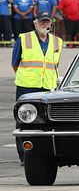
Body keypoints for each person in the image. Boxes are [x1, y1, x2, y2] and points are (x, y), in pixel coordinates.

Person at [12, 11, 63, 161]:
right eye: (42, 21)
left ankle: (45, 153)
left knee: (47, 122)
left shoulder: (57, 42)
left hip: (48, 86)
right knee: (24, 120)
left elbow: (55, 65)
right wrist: (27, 76)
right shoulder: (24, 38)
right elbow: (15, 63)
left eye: (47, 21)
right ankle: (24, 155)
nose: (45, 24)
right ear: (35, 23)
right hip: (27, 86)